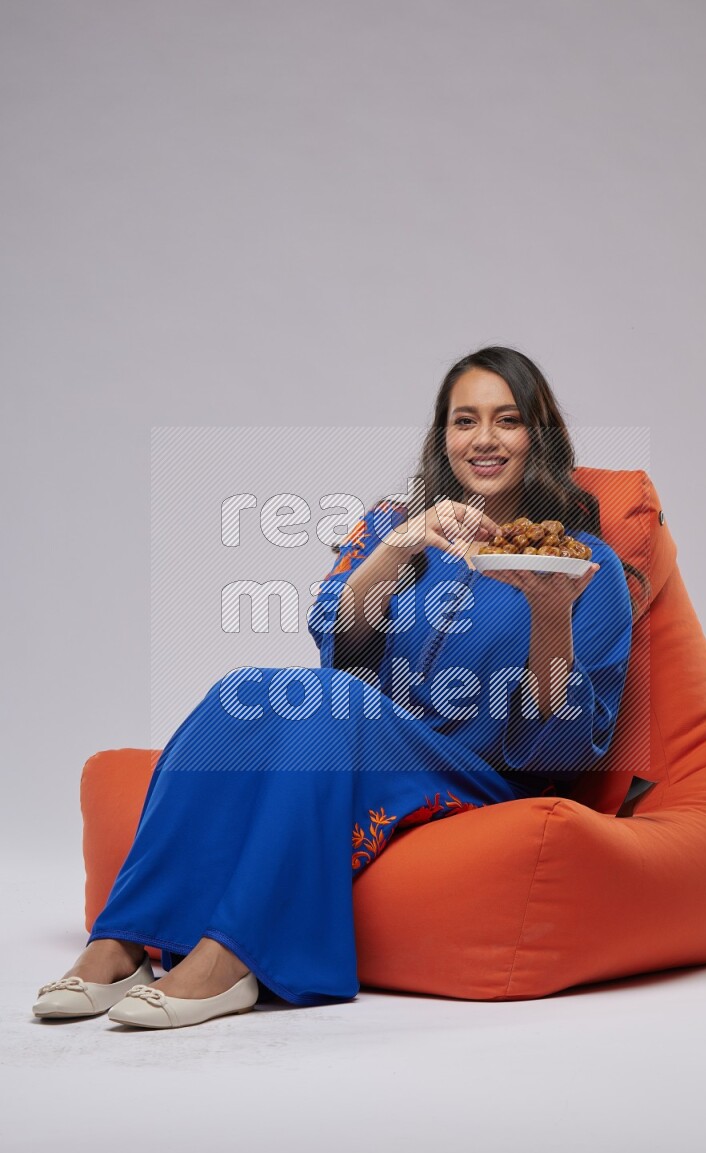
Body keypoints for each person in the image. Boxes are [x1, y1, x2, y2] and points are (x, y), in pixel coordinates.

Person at [32, 345, 635, 1029]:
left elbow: (559, 748)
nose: (485, 439)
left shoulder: (586, 564)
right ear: (444, 435)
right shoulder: (398, 527)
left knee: (338, 703)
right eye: (465, 420)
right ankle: (122, 939)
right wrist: (401, 544)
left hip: (485, 776)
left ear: (541, 434)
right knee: (247, 686)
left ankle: (238, 954)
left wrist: (550, 613)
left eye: (508, 419)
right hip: (371, 739)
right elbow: (340, 641)